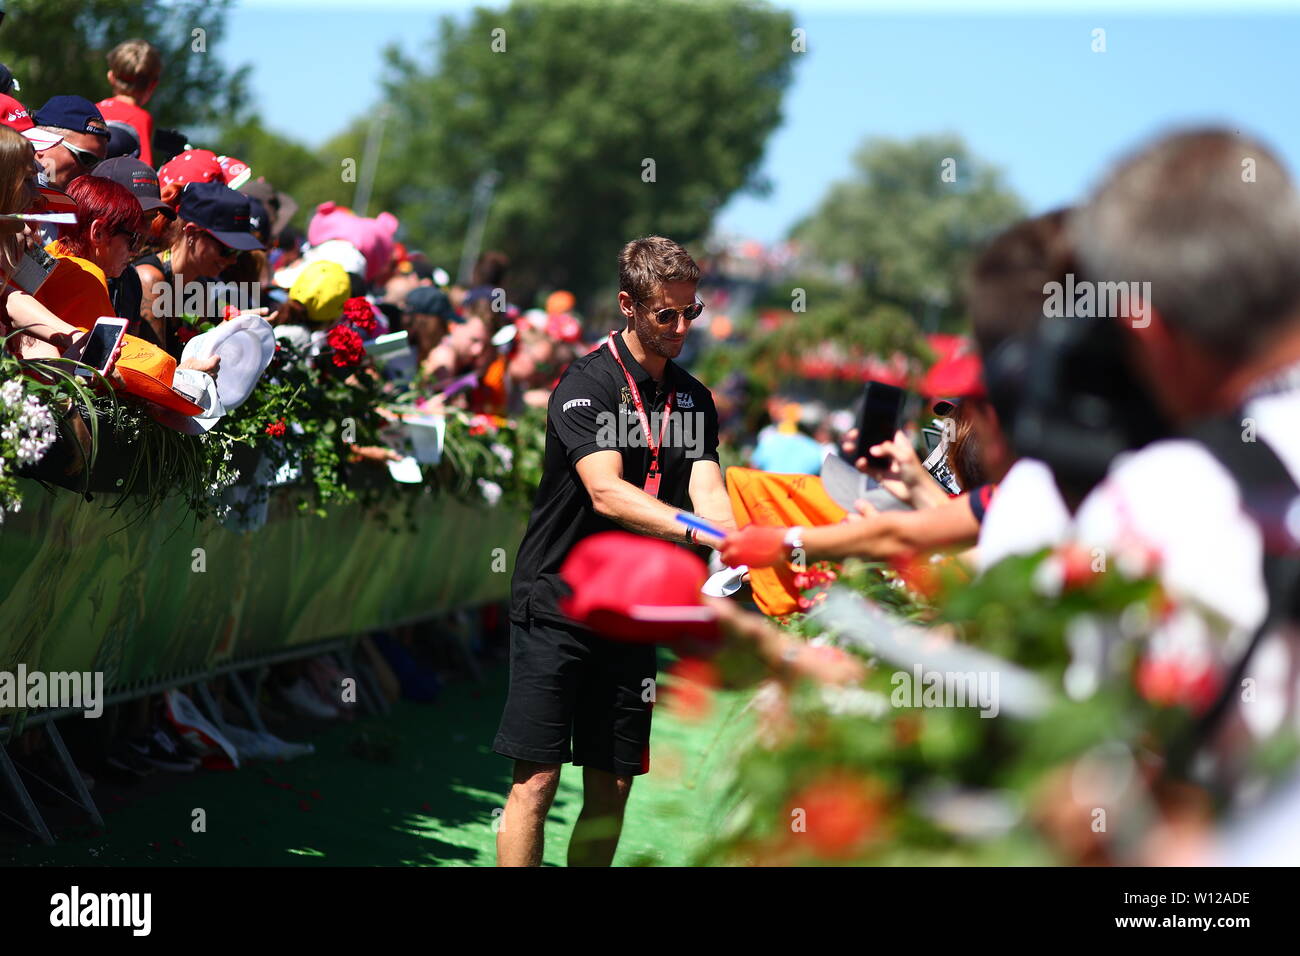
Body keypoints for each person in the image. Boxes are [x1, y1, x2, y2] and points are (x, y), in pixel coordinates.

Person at [494, 236, 736, 867]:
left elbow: (709, 484)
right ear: (629, 305)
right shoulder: (587, 383)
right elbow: (606, 492)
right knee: (538, 779)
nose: (683, 327)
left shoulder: (694, 398)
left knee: (615, 783)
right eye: (667, 314)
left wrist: (733, 543)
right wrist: (701, 533)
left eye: (693, 312)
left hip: (635, 610)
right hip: (557, 600)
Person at [136, 180, 264, 357]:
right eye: (227, 249)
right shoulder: (149, 280)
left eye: (238, 252)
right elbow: (154, 370)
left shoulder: (200, 286)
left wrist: (235, 332)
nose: (233, 260)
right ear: (191, 233)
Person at [96, 39, 162, 168]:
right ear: (153, 85)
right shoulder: (141, 117)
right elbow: (144, 169)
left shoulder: (92, 109)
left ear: (111, 77)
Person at [25, 95, 109, 190]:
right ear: (41, 141)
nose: (91, 173)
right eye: (87, 159)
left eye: (99, 165)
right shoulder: (7, 190)